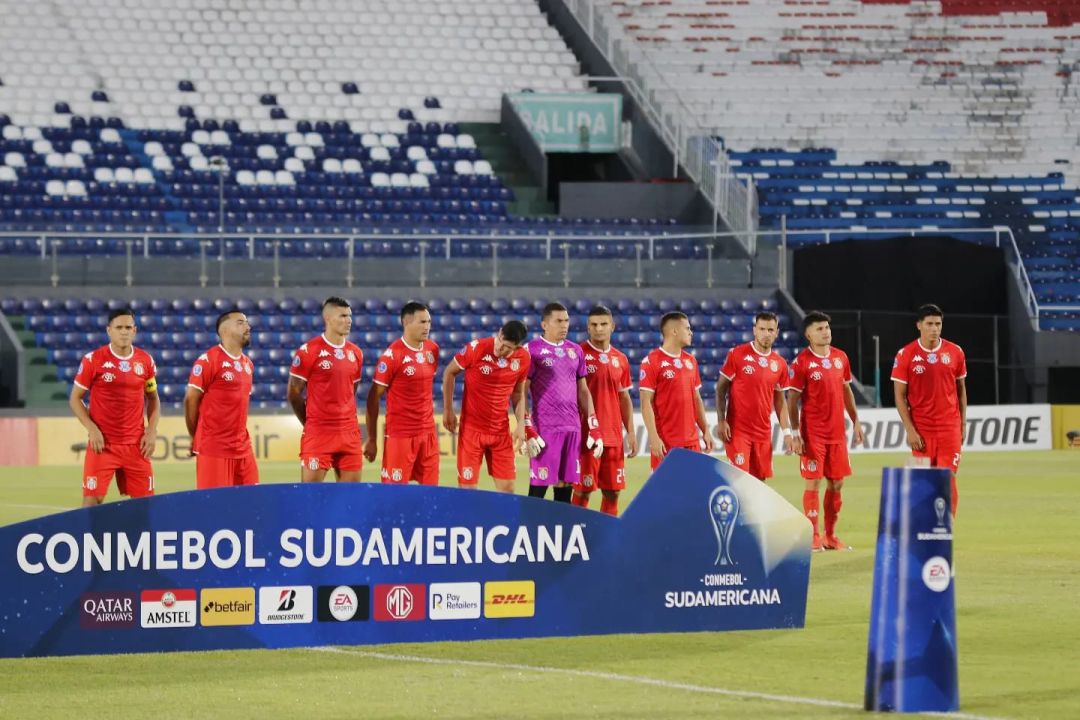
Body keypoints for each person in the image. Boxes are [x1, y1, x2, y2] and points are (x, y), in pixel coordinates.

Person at [785, 311, 863, 551]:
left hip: (837, 434)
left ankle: (830, 536)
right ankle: (813, 536)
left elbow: (847, 391)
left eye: (827, 327)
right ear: (808, 334)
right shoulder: (802, 362)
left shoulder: (841, 358)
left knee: (837, 483)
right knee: (813, 483)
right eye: (819, 328)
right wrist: (796, 433)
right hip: (813, 434)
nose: (826, 331)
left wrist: (856, 420)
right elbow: (792, 399)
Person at [69, 307, 160, 506]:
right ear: (109, 330)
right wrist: (92, 429)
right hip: (103, 445)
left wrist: (151, 431)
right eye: (119, 327)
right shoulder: (93, 360)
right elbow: (75, 398)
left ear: (135, 330)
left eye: (128, 327)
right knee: (91, 505)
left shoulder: (145, 361)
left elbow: (153, 398)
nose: (124, 331)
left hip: (136, 446)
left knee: (146, 507)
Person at [521, 302, 602, 503]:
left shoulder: (575, 351)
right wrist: (527, 427)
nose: (564, 325)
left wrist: (594, 426)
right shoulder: (531, 350)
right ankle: (528, 532)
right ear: (544, 324)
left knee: (565, 487)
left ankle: (561, 533)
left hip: (572, 427)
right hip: (545, 429)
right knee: (539, 488)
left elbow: (583, 391)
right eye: (559, 321)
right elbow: (520, 391)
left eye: (566, 320)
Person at [891, 303, 967, 514]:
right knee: (923, 481)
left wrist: (963, 423)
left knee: (948, 476)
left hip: (949, 427)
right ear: (919, 325)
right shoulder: (906, 354)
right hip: (921, 430)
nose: (935, 328)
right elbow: (899, 395)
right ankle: (925, 529)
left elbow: (961, 390)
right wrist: (910, 430)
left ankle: (946, 529)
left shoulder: (955, 352)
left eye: (938, 324)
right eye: (930, 324)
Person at [442, 320, 530, 492]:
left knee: (508, 491)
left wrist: (521, 424)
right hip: (471, 432)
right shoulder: (476, 349)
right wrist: (448, 409)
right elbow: (449, 372)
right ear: (499, 332)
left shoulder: (523, 359)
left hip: (500, 433)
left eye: (507, 348)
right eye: (500, 341)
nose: (500, 348)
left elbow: (518, 394)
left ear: (518, 348)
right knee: (468, 492)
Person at [287, 296, 364, 482]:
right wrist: (311, 422)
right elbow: (293, 394)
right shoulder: (309, 351)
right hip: (319, 433)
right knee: (311, 498)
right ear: (328, 318)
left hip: (349, 433)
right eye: (343, 316)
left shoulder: (356, 353)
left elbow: (351, 391)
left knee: (350, 499)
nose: (349, 320)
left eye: (350, 316)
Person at [365, 301, 441, 485]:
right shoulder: (392, 357)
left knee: (431, 496)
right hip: (400, 436)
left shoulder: (432, 350)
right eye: (422, 322)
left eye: (429, 321)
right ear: (406, 323)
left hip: (428, 434)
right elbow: (373, 399)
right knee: (394, 496)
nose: (427, 326)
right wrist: (372, 439)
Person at [715, 311, 794, 481]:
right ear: (754, 330)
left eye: (771, 330)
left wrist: (787, 432)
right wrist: (721, 420)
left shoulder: (780, 364)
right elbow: (721, 389)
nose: (766, 334)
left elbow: (780, 401)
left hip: (763, 433)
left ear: (777, 332)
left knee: (759, 485)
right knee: (739, 482)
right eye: (762, 329)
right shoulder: (737, 354)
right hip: (738, 432)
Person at [573, 306, 637, 515]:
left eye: (603, 324)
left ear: (612, 327)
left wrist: (631, 432)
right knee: (583, 491)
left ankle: (605, 540)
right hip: (586, 436)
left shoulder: (621, 359)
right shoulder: (578, 353)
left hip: (614, 437)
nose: (599, 329)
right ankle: (575, 538)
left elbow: (624, 397)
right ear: (588, 328)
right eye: (594, 325)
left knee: (613, 493)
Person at [184, 309, 258, 489]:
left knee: (253, 504)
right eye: (240, 323)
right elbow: (190, 400)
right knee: (214, 509)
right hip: (214, 449)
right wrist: (196, 436)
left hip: (243, 449)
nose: (247, 327)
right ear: (224, 331)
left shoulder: (248, 364)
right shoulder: (209, 361)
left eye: (247, 322)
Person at [639, 311, 713, 470]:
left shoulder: (691, 361)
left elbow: (697, 399)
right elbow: (646, 403)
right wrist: (653, 438)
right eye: (687, 328)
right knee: (666, 494)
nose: (691, 332)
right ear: (674, 331)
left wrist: (705, 429)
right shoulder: (651, 362)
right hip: (667, 444)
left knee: (693, 492)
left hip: (692, 443)